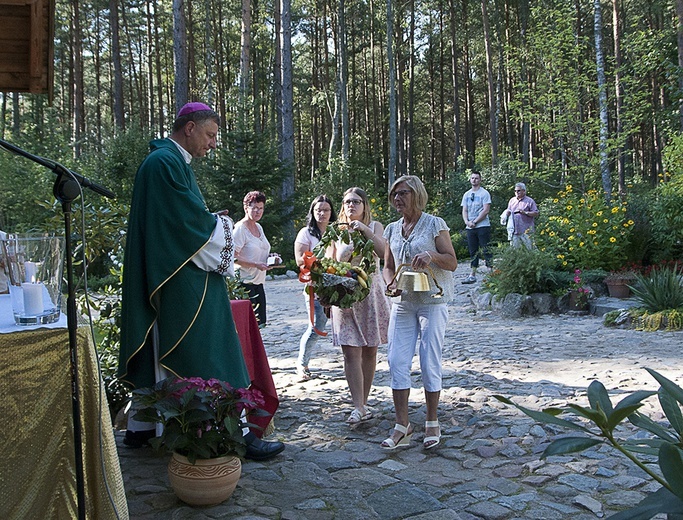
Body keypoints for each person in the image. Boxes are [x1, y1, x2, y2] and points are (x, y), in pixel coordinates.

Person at [117, 102, 284, 460]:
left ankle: (148, 427)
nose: (211, 144)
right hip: (177, 280)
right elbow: (186, 227)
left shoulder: (172, 163)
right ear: (189, 127)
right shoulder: (164, 163)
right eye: (209, 135)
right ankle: (233, 434)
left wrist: (208, 222)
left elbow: (182, 220)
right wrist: (220, 228)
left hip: (173, 272)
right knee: (213, 345)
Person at [382, 175, 457, 450]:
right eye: (395, 194)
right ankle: (402, 424)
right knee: (397, 361)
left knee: (428, 361)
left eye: (403, 193)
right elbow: (388, 265)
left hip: (432, 302)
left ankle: (432, 421)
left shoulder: (435, 224)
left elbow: (452, 263)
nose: (397, 199)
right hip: (402, 303)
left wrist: (431, 255)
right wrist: (389, 283)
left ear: (417, 194)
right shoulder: (391, 229)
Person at [329, 187, 390, 425]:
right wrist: (326, 295)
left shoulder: (375, 226)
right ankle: (358, 406)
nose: (351, 206)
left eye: (356, 201)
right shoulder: (335, 232)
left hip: (370, 295)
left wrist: (363, 229)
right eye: (346, 202)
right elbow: (328, 264)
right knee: (350, 351)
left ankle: (363, 402)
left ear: (365, 205)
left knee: (370, 350)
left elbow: (383, 252)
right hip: (344, 297)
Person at [294, 195, 337, 381]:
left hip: (337, 283)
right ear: (312, 212)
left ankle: (352, 362)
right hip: (315, 285)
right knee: (317, 325)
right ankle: (302, 364)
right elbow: (299, 259)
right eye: (318, 210)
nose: (322, 213)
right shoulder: (306, 233)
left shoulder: (337, 231)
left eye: (326, 210)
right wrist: (319, 265)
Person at [234, 191, 280, 327]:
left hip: (258, 283)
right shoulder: (240, 229)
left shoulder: (258, 227)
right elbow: (231, 258)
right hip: (243, 284)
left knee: (259, 325)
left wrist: (271, 259)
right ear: (245, 208)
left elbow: (260, 251)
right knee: (246, 326)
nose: (258, 211)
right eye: (254, 208)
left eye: (260, 208)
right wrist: (255, 264)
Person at [461, 170, 491, 284]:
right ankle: (472, 274)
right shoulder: (466, 194)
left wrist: (475, 221)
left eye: (476, 178)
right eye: (472, 178)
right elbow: (464, 210)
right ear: (470, 179)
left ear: (480, 180)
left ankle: (490, 273)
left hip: (483, 226)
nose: (474, 180)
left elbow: (486, 210)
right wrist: (467, 222)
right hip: (470, 227)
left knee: (486, 249)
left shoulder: (484, 193)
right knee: (473, 251)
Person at [503, 182, 539, 249]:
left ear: (524, 191)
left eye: (518, 190)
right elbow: (508, 210)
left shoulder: (529, 201)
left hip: (526, 231)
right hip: (514, 231)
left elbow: (536, 213)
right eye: (515, 191)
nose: (516, 192)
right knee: (515, 251)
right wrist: (506, 214)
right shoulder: (512, 200)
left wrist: (525, 212)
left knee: (530, 249)